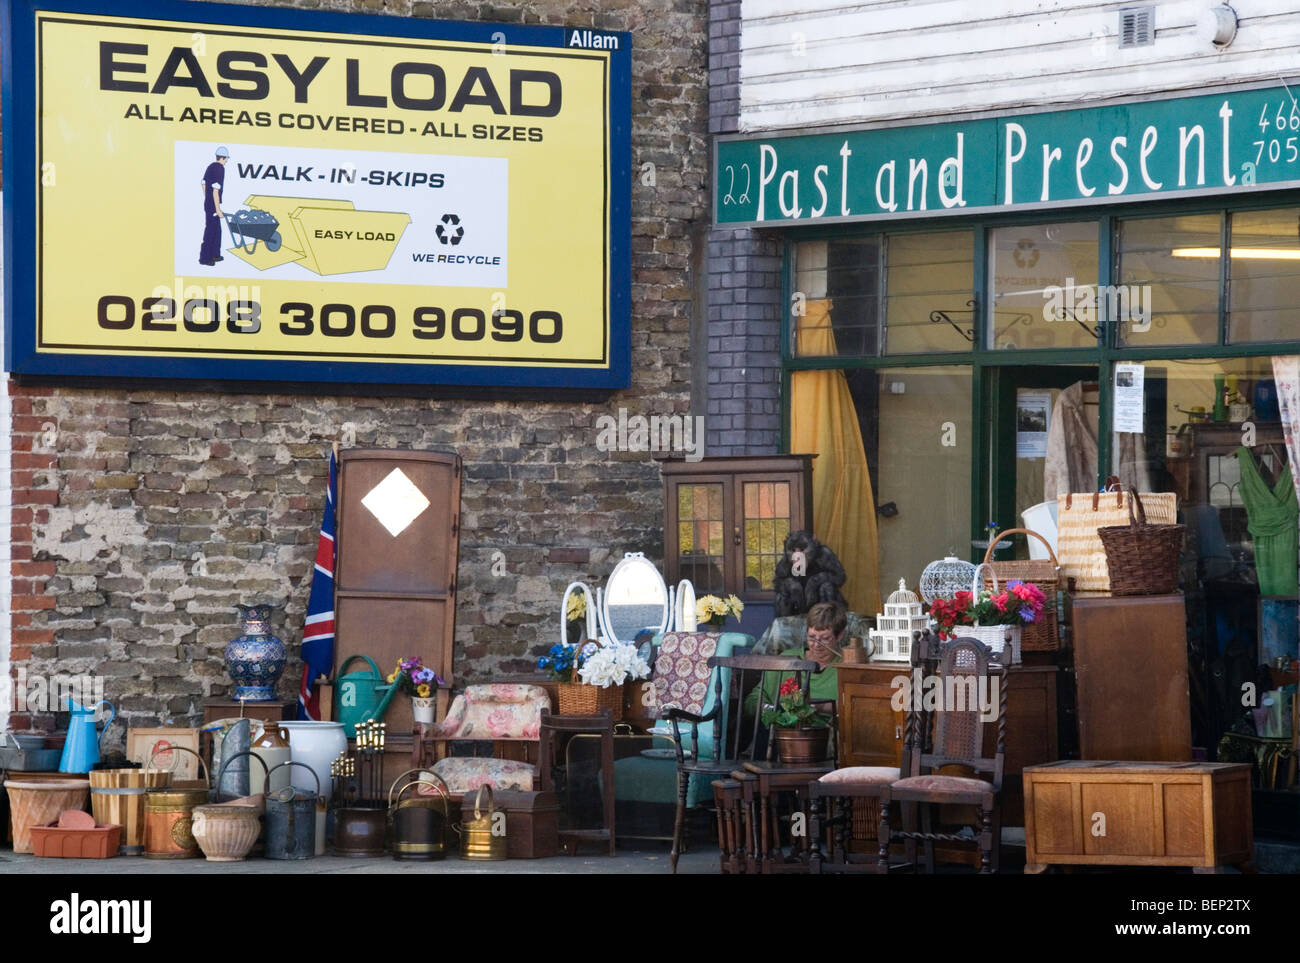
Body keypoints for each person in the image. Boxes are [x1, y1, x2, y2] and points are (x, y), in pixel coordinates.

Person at [743, 600, 845, 721]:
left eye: (825, 638)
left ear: (840, 636)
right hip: (780, 728)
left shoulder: (847, 666)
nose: (817, 645)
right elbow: (752, 700)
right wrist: (769, 710)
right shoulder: (786, 660)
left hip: (827, 730)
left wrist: (820, 707)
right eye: (812, 637)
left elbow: (856, 705)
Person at [200, 147, 229, 266]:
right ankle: (205, 259)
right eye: (226, 159)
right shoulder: (220, 168)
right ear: (223, 158)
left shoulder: (210, 167)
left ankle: (215, 254)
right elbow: (216, 190)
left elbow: (203, 184)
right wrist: (218, 209)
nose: (226, 161)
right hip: (213, 205)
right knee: (211, 231)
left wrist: (207, 198)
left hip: (209, 203)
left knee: (217, 230)